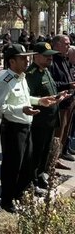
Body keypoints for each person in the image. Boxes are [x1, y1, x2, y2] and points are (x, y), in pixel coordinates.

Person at [0, 43, 56, 213]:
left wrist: (39, 101)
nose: (26, 61)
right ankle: (7, 202)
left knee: (26, 165)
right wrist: (21, 109)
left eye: (27, 57)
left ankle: (19, 196)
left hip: (26, 125)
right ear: (11, 62)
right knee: (12, 166)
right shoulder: (5, 80)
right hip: (13, 128)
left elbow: (25, 98)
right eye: (22, 58)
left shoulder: (21, 77)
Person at [25, 42, 68, 189]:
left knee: (45, 151)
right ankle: (32, 181)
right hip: (39, 121)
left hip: (50, 119)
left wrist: (58, 96)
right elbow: (29, 98)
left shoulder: (46, 71)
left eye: (51, 56)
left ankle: (41, 176)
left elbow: (49, 92)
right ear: (36, 56)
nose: (50, 59)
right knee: (36, 153)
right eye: (46, 56)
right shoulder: (31, 75)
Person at [49, 34, 75, 165]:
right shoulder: (52, 60)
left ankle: (59, 156)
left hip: (69, 100)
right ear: (57, 44)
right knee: (57, 134)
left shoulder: (64, 59)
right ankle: (52, 161)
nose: (68, 46)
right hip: (59, 102)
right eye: (66, 43)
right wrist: (68, 85)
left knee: (65, 132)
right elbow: (52, 83)